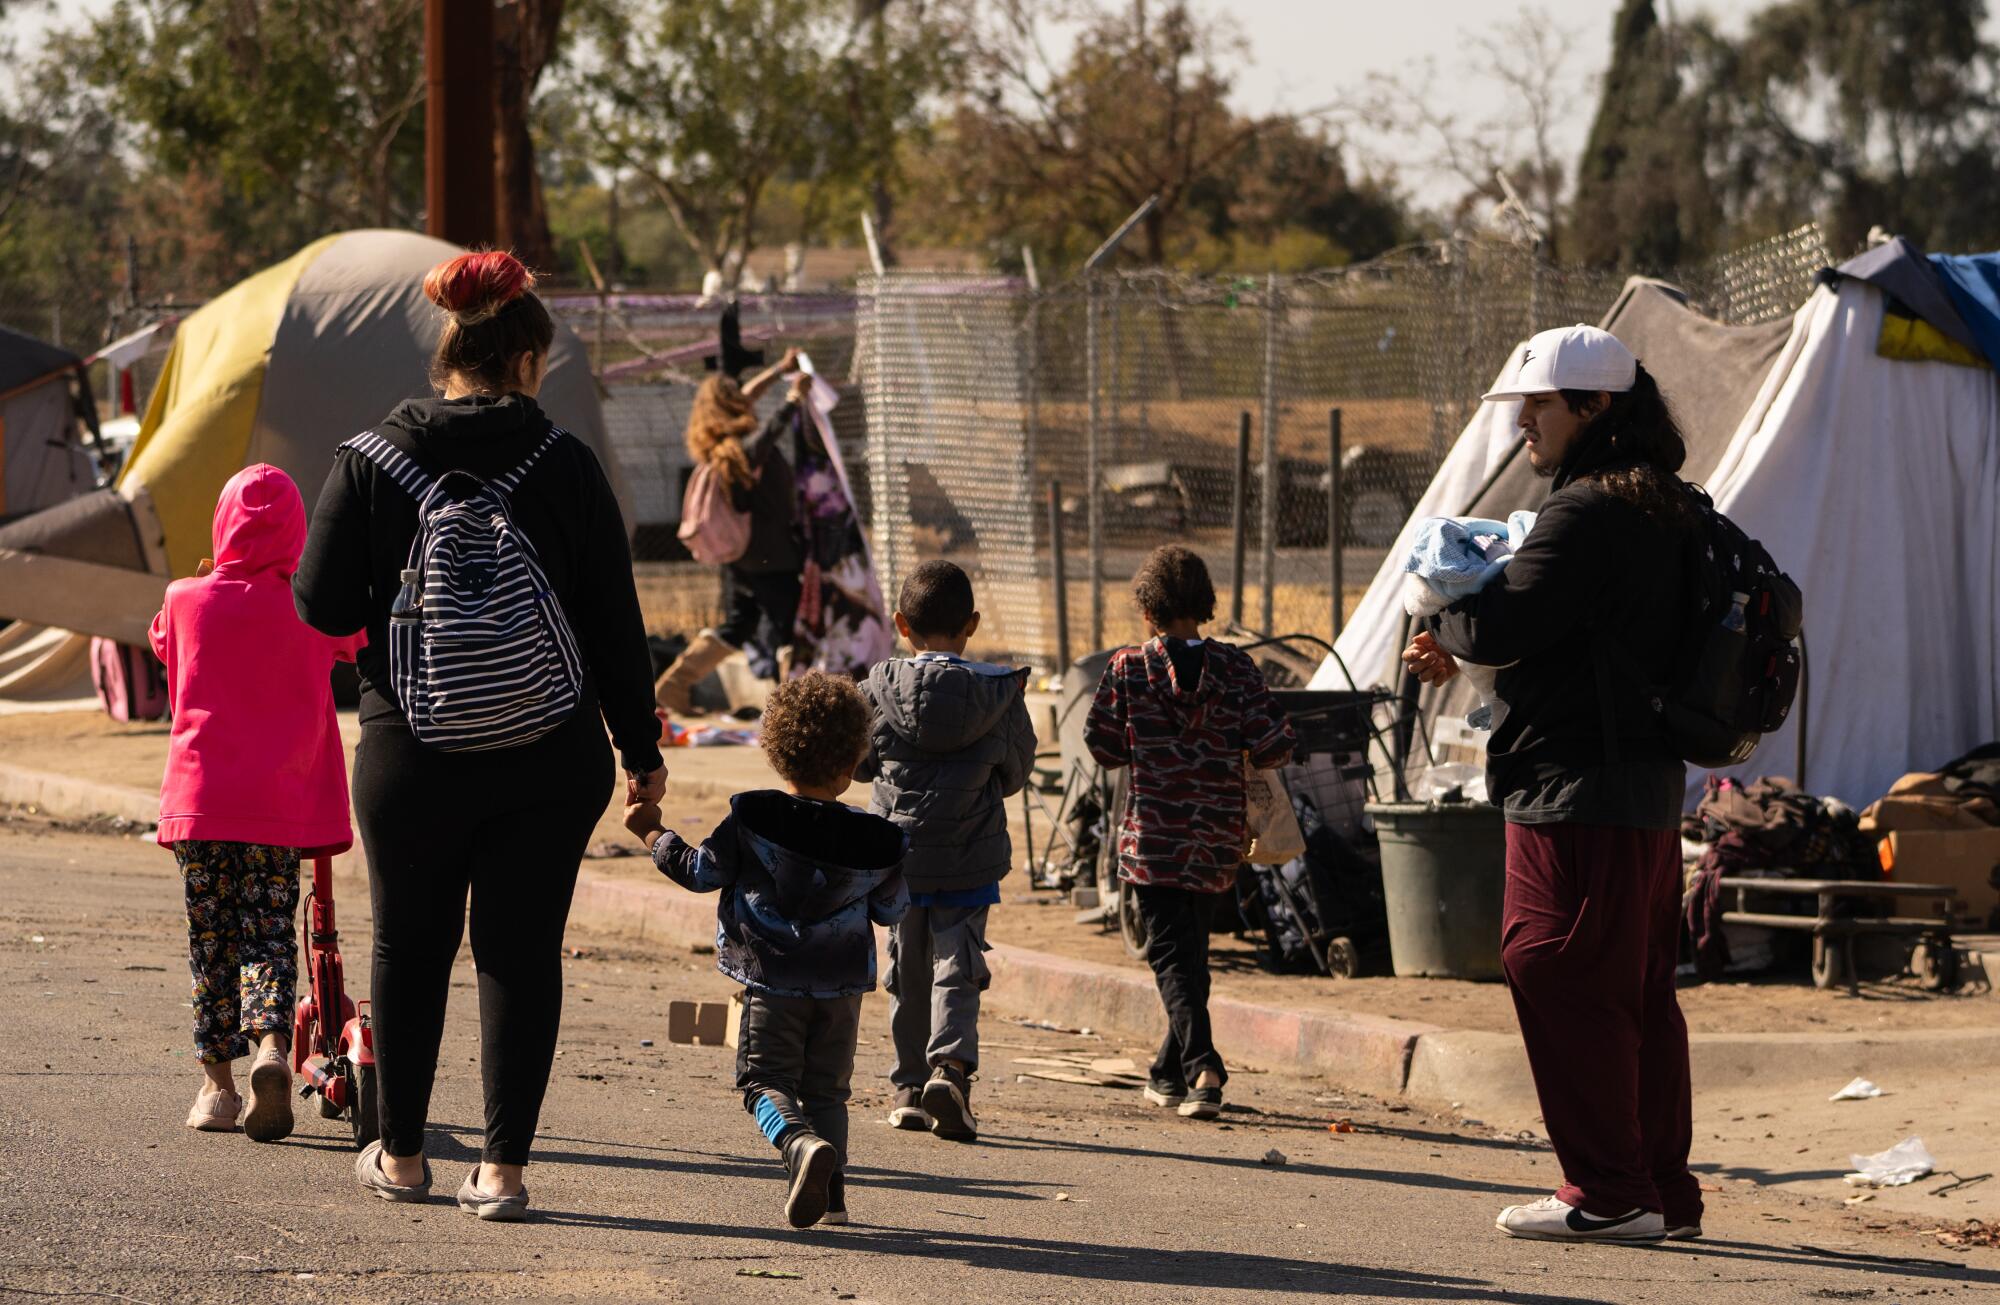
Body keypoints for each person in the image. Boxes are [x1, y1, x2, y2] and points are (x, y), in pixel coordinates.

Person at [294, 251, 666, 1222]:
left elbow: (321, 603)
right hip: (551, 754)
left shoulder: (367, 460)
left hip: (410, 750)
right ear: (529, 358)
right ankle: (501, 1173)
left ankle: (404, 1157)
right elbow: (615, 629)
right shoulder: (567, 467)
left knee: (411, 946)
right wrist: (644, 754)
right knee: (519, 950)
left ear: (444, 353)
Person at [1402, 324, 1700, 1245]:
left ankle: (1609, 1192)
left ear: (1596, 407)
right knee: (1636, 987)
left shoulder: (1586, 512)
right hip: (1645, 791)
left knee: (1552, 962)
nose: (1524, 423)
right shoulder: (1675, 507)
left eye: (1540, 405)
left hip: (1575, 788)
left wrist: (1448, 625)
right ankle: (1659, 1191)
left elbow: (1503, 621)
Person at [624, 672, 907, 1228]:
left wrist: (652, 834)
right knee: (828, 1090)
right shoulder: (881, 838)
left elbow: (703, 872)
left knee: (763, 1083)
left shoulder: (754, 816)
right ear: (853, 763)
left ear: (777, 753)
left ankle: (799, 1147)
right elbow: (892, 911)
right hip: (843, 990)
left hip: (771, 982)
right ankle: (834, 1199)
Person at [150, 464, 364, 1143]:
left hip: (201, 803)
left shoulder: (185, 598)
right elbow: (356, 642)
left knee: (209, 939)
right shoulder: (309, 603)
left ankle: (216, 1088)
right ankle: (272, 1046)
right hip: (275, 806)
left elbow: (163, 641)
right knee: (267, 933)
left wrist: (211, 578)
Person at [1084, 545, 1294, 1121]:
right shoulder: (1237, 668)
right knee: (1189, 958)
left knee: (1170, 956)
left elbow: (1100, 746)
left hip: (1153, 839)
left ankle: (1204, 1066)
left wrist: (1147, 739)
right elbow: (1276, 743)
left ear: (1148, 609)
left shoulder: (1127, 668)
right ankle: (1167, 1074)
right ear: (1204, 605)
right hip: (1215, 840)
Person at [856, 561, 1036, 1141]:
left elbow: (858, 766)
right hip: (970, 853)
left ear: (903, 625)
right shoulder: (999, 695)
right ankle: (951, 1069)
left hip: (898, 857)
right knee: (957, 967)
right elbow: (1014, 773)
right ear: (973, 623)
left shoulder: (877, 691)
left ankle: (908, 1089)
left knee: (906, 970)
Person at [654, 350, 810, 714]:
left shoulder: (717, 445)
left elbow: (746, 399)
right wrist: (793, 399)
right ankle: (791, 710)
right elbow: (767, 435)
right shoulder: (742, 451)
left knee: (740, 624)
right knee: (788, 626)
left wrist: (777, 371)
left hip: (741, 557)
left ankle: (673, 686)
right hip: (771, 554)